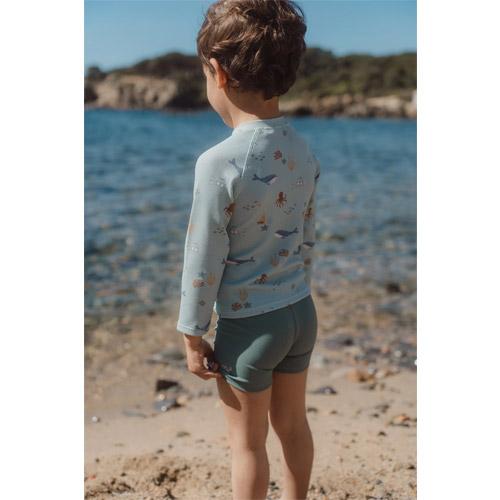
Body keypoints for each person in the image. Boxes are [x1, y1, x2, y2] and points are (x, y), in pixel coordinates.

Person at [176, 1, 320, 498]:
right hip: (299, 311)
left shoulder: (219, 161)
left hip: (249, 325)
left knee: (247, 445)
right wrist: (296, 288)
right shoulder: (302, 149)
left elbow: (203, 254)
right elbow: (305, 235)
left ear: (218, 72)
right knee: (293, 425)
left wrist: (193, 332)